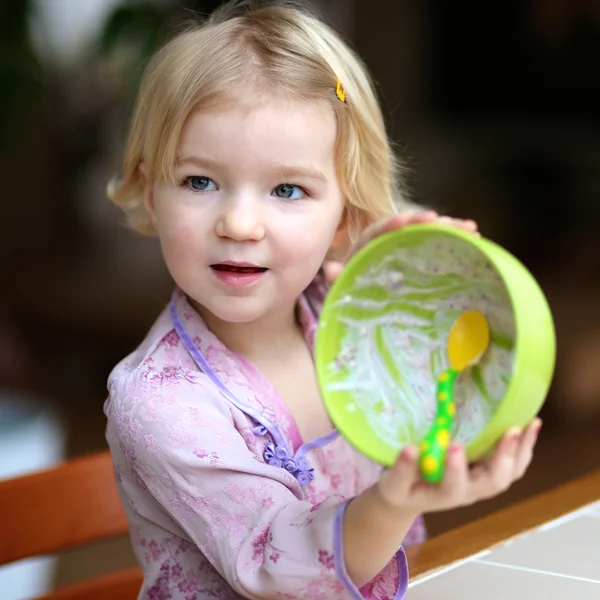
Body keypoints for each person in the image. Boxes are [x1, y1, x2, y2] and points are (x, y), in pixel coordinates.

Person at [104, 2, 541, 598]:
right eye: (199, 181)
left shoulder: (350, 311)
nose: (239, 223)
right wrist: (390, 503)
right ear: (152, 194)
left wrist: (402, 273)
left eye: (288, 189)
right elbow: (277, 568)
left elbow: (451, 368)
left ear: (345, 218)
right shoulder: (160, 403)